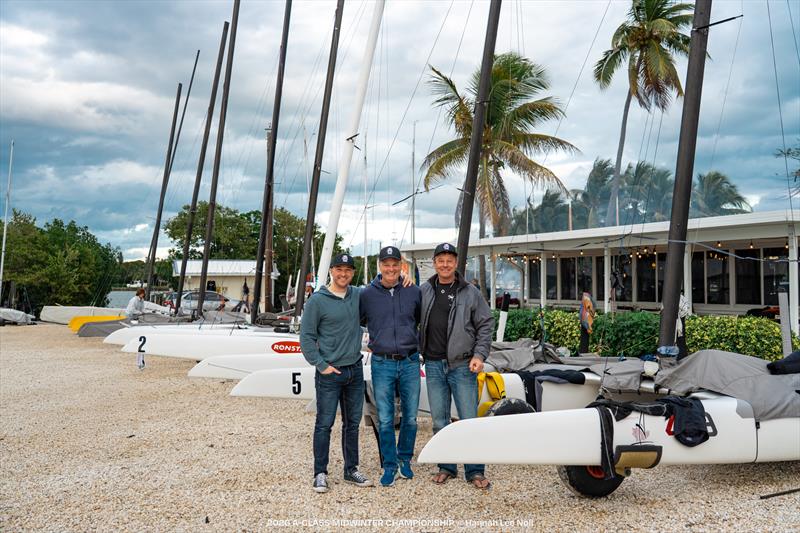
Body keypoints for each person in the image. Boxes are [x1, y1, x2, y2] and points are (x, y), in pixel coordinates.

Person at [419, 242, 494, 489]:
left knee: (468, 420)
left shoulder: (469, 292)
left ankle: (474, 470)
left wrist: (480, 355)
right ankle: (446, 466)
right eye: (440, 260)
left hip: (463, 365)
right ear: (434, 263)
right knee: (439, 420)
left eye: (449, 260)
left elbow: (485, 324)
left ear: (456, 263)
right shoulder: (424, 290)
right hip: (432, 364)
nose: (445, 264)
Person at [300, 253, 373, 493]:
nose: (343, 274)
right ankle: (320, 472)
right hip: (330, 373)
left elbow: (382, 289)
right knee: (324, 424)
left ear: (353, 272)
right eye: (339, 269)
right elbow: (307, 337)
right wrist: (321, 365)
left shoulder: (357, 295)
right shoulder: (317, 301)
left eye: (348, 270)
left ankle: (351, 469)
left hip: (354, 369)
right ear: (332, 270)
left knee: (352, 424)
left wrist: (403, 278)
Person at [359, 246, 421, 487]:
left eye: (395, 264)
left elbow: (420, 320)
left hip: (409, 361)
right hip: (382, 362)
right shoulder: (367, 294)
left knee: (411, 417)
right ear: (380, 266)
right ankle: (389, 464)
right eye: (386, 264)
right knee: (385, 418)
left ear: (401, 266)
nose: (391, 268)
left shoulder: (413, 291)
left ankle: (405, 459)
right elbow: (358, 320)